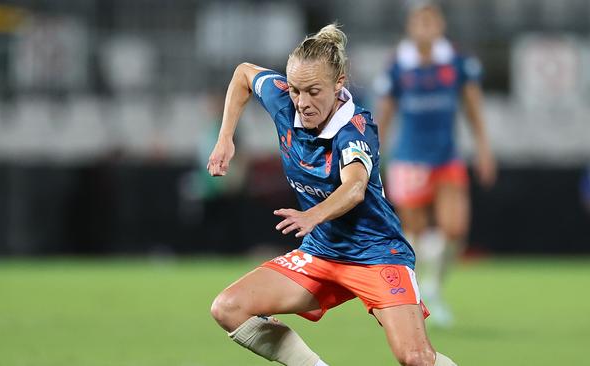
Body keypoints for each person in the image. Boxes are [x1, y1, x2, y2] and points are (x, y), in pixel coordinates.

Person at [208, 24, 458, 366]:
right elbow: (243, 75)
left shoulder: (355, 128)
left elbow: (354, 188)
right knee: (228, 308)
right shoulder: (284, 99)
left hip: (377, 252)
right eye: (295, 90)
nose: (302, 103)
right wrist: (225, 138)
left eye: (313, 91)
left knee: (415, 358)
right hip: (322, 254)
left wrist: (313, 215)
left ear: (339, 82)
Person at [375, 4, 496, 327]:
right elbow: (385, 113)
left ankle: (433, 285)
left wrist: (484, 150)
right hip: (409, 159)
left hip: (447, 156)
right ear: (410, 27)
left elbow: (473, 109)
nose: (426, 27)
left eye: (431, 21)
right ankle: (414, 298)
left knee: (455, 230)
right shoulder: (398, 65)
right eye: (420, 21)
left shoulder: (457, 61)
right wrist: (374, 155)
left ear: (441, 25)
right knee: (413, 234)